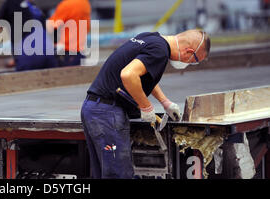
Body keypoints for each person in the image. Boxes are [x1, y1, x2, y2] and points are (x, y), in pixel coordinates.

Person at [80, 29, 210, 178]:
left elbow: (143, 74)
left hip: (94, 108)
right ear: (188, 52)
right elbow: (128, 75)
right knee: (119, 175)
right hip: (107, 114)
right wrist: (146, 106)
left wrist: (165, 102)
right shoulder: (160, 51)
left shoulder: (151, 38)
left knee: (104, 173)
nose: (190, 63)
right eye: (194, 60)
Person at [0, 0, 57, 71]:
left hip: (28, 53)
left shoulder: (11, 2)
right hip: (49, 54)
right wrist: (16, 59)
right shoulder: (37, 10)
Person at [47, 0, 91, 67]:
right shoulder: (85, 2)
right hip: (79, 53)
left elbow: (50, 28)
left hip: (66, 55)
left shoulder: (67, 5)